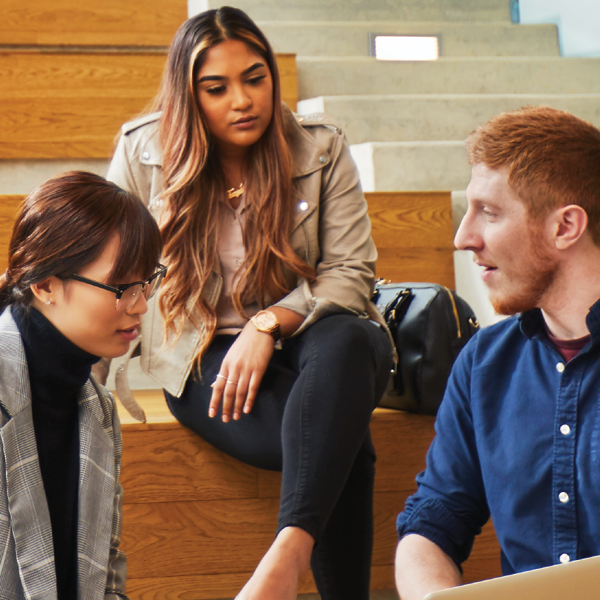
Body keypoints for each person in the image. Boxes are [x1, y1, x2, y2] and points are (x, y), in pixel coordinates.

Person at [104, 6, 394, 600]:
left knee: (351, 336)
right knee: (342, 438)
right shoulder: (144, 153)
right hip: (201, 354)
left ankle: (285, 555)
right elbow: (107, 268)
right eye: (217, 88)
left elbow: (351, 273)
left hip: (309, 336)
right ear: (189, 95)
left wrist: (267, 325)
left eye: (255, 78)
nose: (243, 100)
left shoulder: (318, 148)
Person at [394, 105, 600, 600]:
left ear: (565, 226)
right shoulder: (482, 363)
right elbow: (434, 520)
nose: (463, 237)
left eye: (489, 211)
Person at [0, 171, 163, 599]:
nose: (141, 304)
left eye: (147, 281)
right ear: (45, 283)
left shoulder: (99, 409)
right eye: (123, 285)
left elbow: (106, 575)